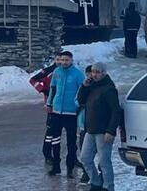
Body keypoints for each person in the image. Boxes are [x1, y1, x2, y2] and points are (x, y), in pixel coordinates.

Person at [77, 62, 120, 191]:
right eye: (93, 72)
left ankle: (108, 186)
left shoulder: (109, 89)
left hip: (103, 131)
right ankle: (96, 182)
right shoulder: (91, 86)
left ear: (103, 73)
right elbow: (81, 101)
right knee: (85, 158)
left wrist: (111, 131)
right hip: (90, 130)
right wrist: (84, 87)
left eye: (97, 72)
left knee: (104, 161)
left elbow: (115, 111)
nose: (94, 75)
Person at [44, 50, 83, 178]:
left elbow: (82, 92)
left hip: (71, 113)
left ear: (71, 60)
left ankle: (70, 167)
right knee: (55, 140)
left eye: (67, 60)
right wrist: (49, 104)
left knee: (71, 142)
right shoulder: (57, 72)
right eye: (62, 60)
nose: (64, 62)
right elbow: (53, 89)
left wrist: (78, 106)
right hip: (56, 112)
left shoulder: (78, 74)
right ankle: (56, 166)